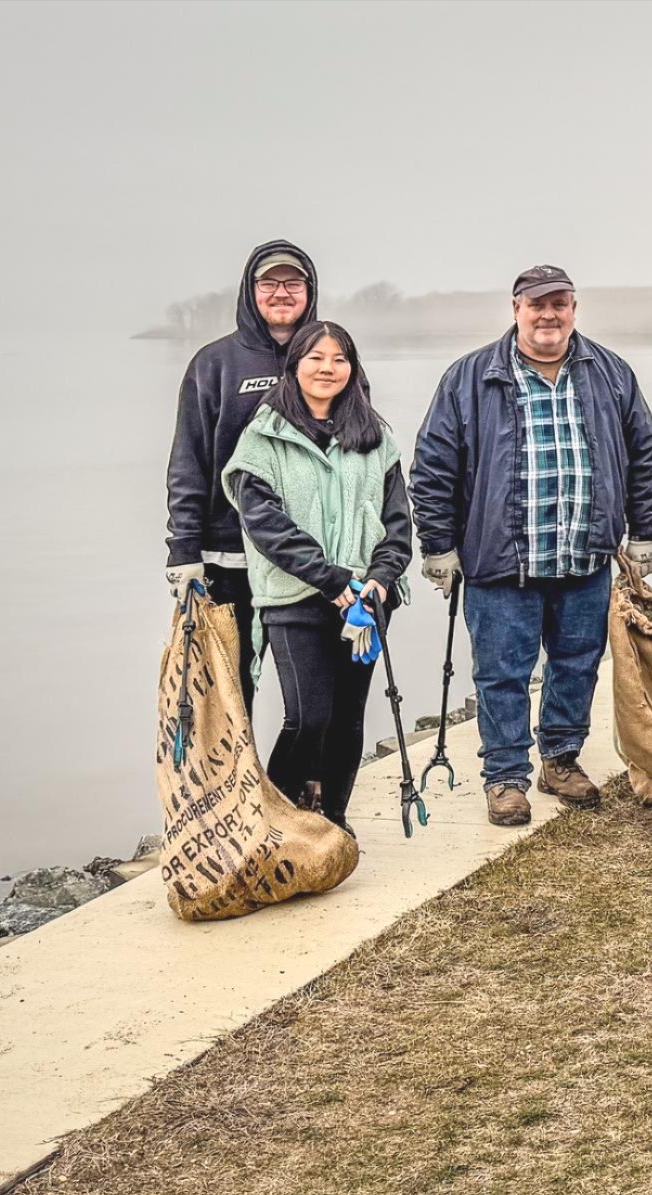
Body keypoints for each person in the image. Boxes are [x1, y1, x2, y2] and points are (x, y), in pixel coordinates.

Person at [412, 265, 652, 827]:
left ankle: (559, 758)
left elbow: (643, 454)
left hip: (584, 557)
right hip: (500, 561)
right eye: (537, 305)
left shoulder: (610, 373)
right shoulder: (469, 377)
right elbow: (432, 467)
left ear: (574, 309)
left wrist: (643, 531)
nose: (548, 315)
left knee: (576, 665)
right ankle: (505, 777)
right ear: (516, 309)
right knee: (501, 672)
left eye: (560, 304)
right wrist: (437, 545)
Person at [221, 321, 412, 832]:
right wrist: (330, 579)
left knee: (349, 718)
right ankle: (275, 826)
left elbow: (398, 523)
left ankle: (333, 822)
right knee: (308, 718)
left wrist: (381, 576)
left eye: (339, 359)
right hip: (294, 598)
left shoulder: (376, 438)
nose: (328, 369)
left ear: (353, 369)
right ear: (294, 366)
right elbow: (264, 525)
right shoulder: (262, 438)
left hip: (366, 601)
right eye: (316, 358)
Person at [165, 240, 320, 715]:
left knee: (310, 698)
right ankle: (235, 786)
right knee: (229, 695)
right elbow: (188, 459)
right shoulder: (215, 364)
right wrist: (183, 550)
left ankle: (305, 787)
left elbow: (360, 455)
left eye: (292, 282)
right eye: (268, 282)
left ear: (309, 291)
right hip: (227, 560)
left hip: (310, 558)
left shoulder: (329, 358)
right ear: (250, 291)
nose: (280, 292)